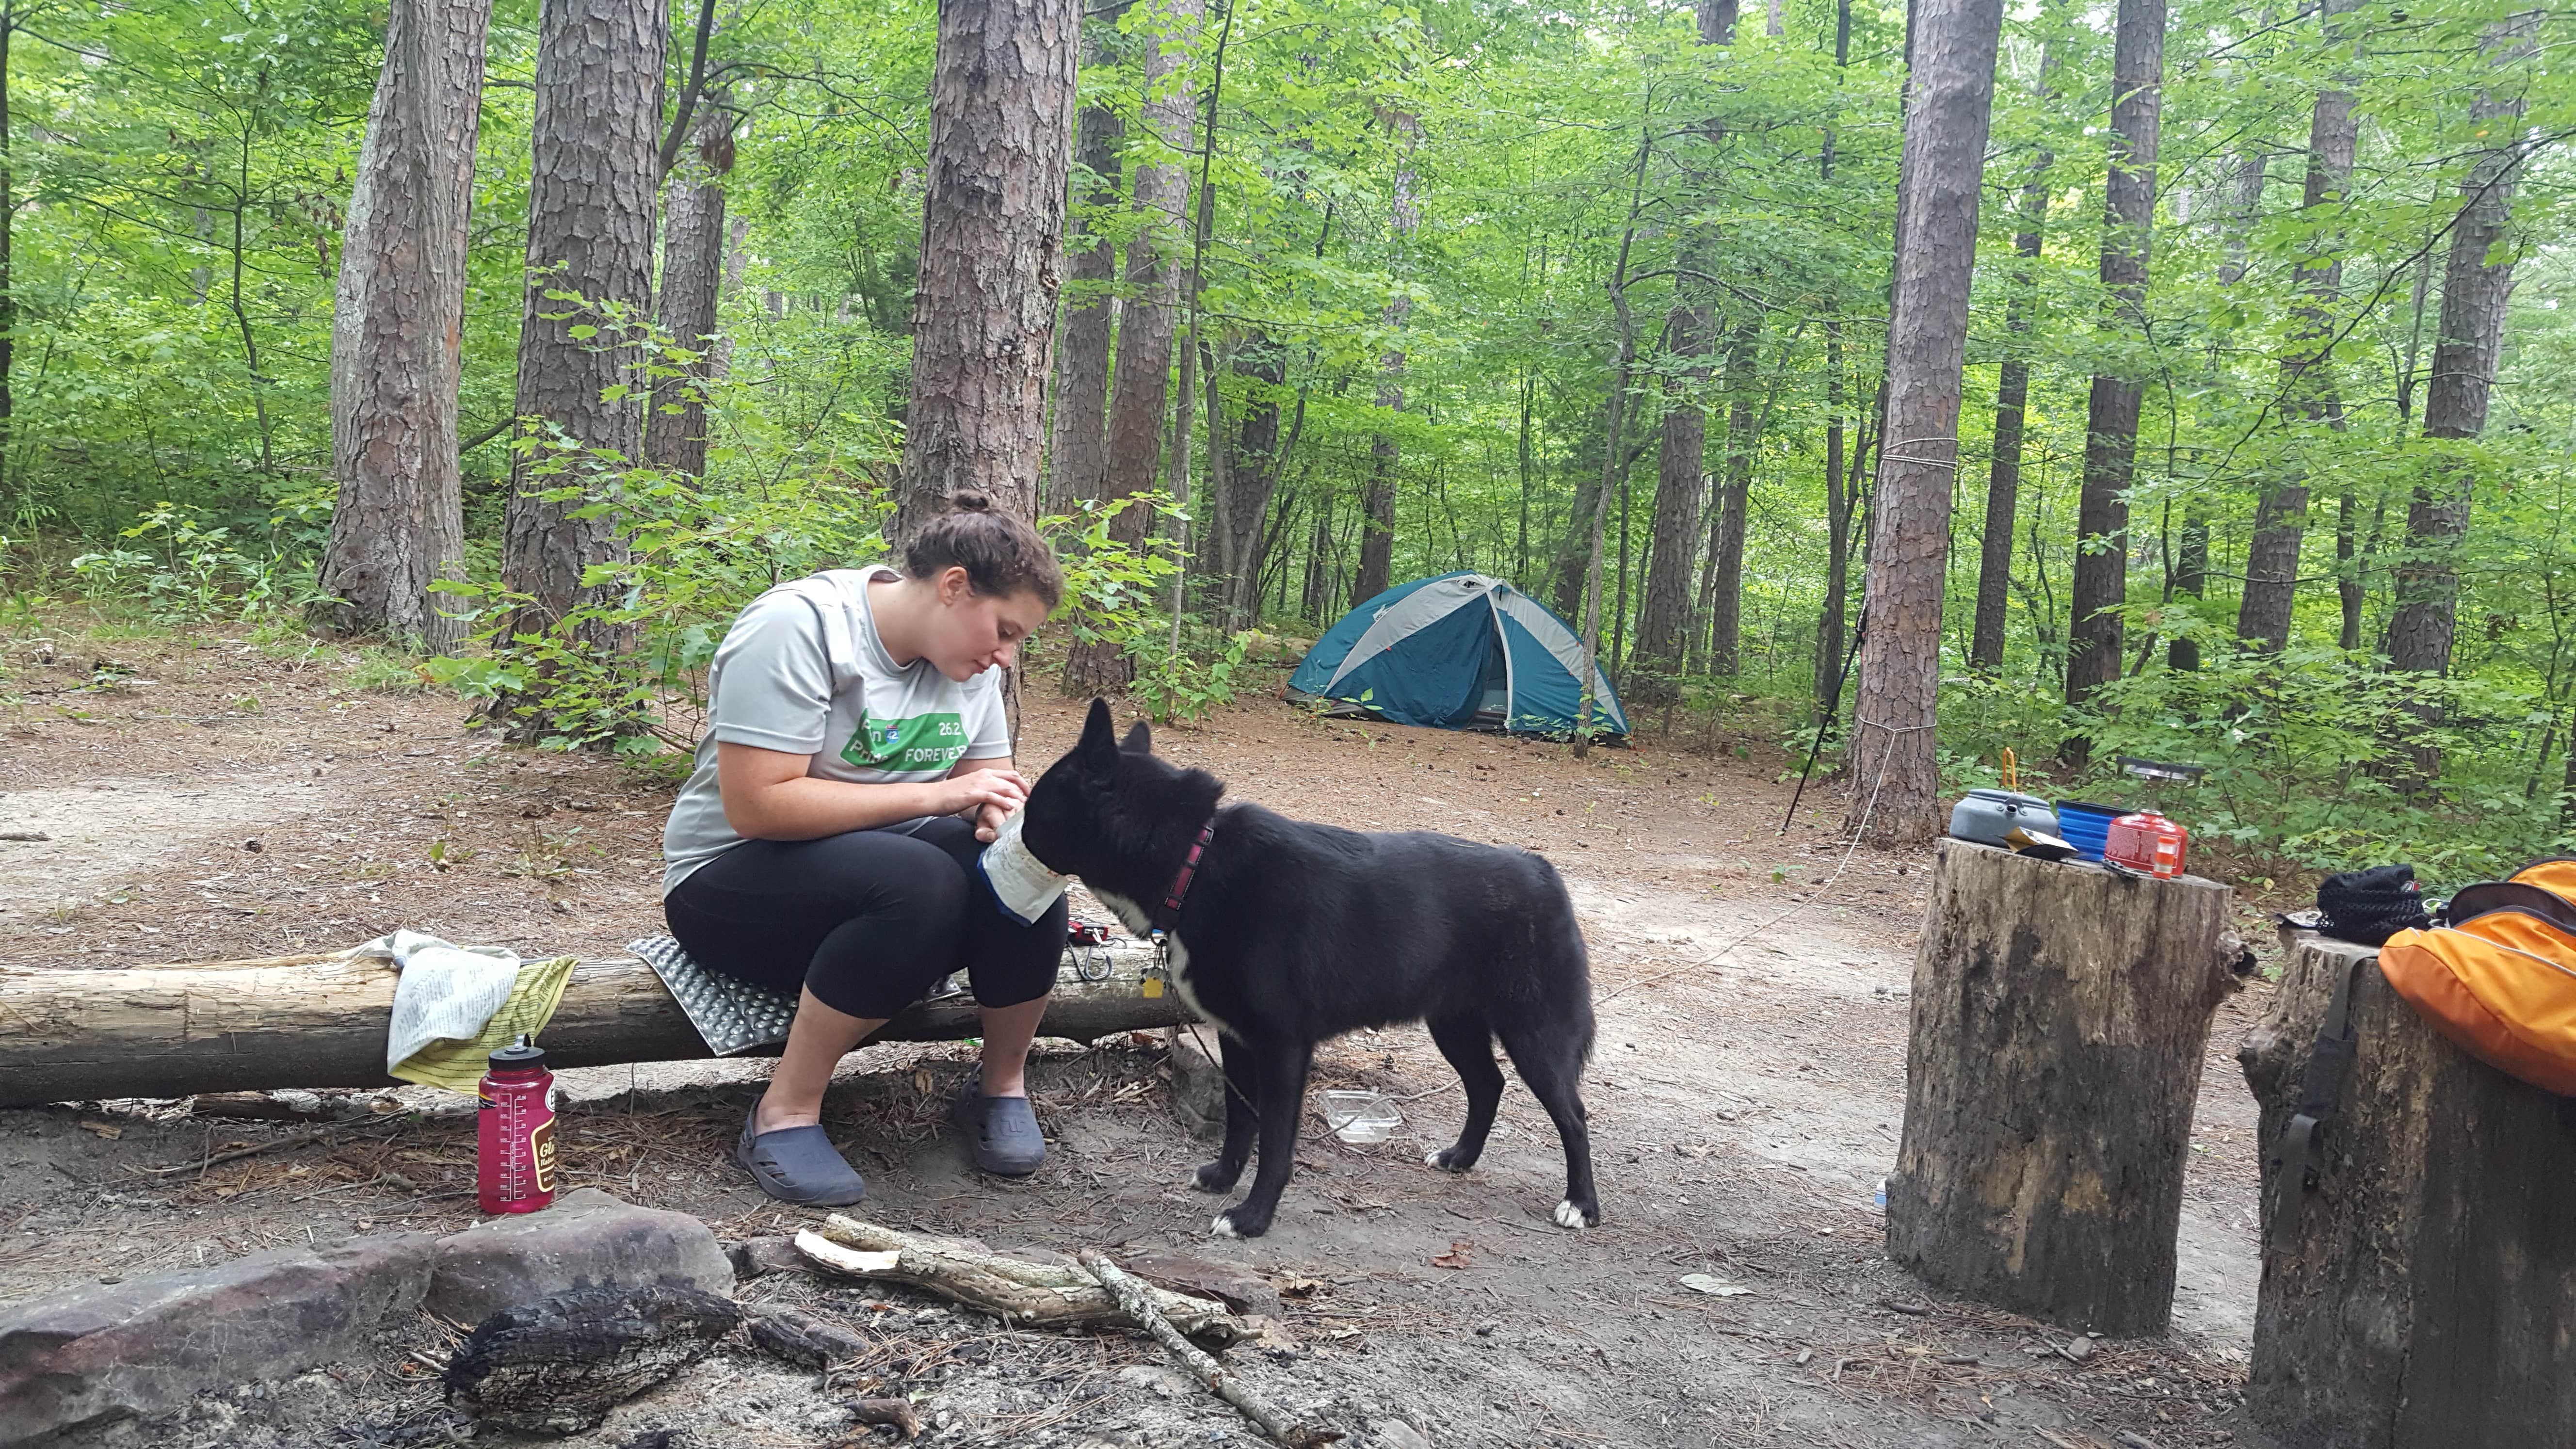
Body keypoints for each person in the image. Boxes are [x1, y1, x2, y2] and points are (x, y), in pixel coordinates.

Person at [660, 490, 1067, 1206]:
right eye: (1004, 630)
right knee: (919, 881)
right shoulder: (801, 628)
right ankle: (783, 1112)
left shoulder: (969, 669)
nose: (1005, 656)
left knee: (1022, 868)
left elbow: (982, 787)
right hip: (727, 886)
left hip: (876, 888)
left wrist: (1008, 822)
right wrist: (938, 797)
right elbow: (757, 805)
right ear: (952, 587)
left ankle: (1001, 1087)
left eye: (1018, 641)